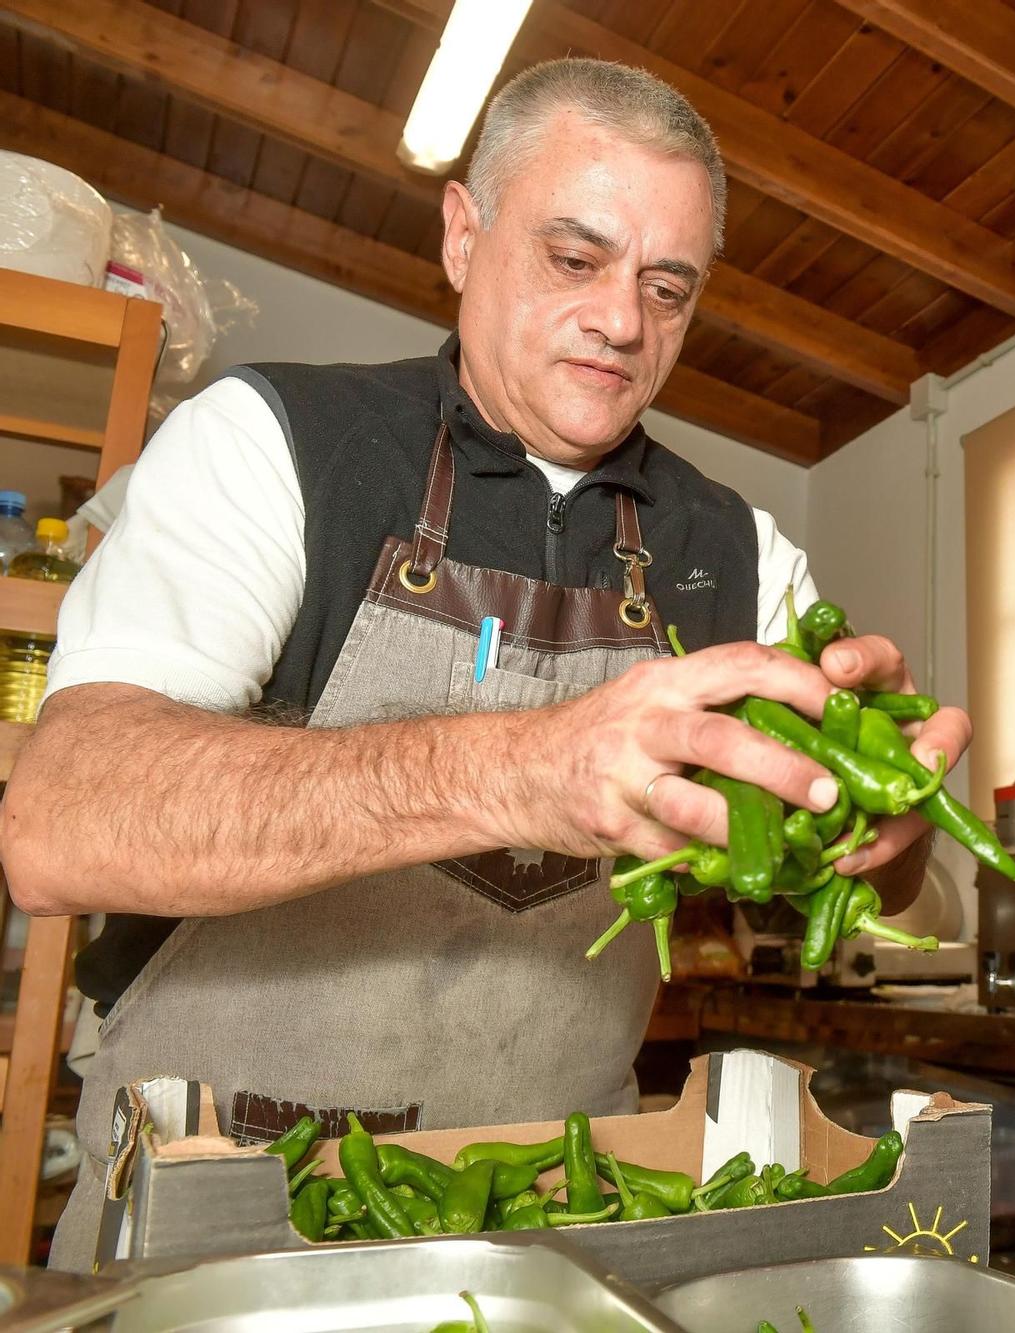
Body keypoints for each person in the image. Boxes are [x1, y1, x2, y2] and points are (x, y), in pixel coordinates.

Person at [3, 58, 963, 1272]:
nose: (622, 321)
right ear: (464, 234)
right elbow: (59, 821)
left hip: (556, 1236)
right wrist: (521, 770)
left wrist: (885, 827)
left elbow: (876, 891)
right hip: (220, 1231)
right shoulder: (275, 445)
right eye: (575, 259)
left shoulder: (742, 556)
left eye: (667, 287)